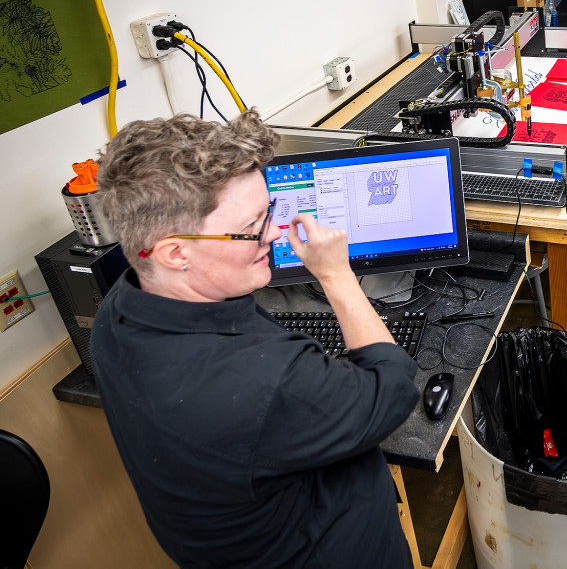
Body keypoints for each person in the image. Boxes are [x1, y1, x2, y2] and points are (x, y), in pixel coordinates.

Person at [91, 111, 419, 569]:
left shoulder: (117, 310)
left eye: (269, 212)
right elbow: (393, 387)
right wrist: (335, 273)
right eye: (251, 228)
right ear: (174, 252)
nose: (273, 233)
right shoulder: (267, 379)